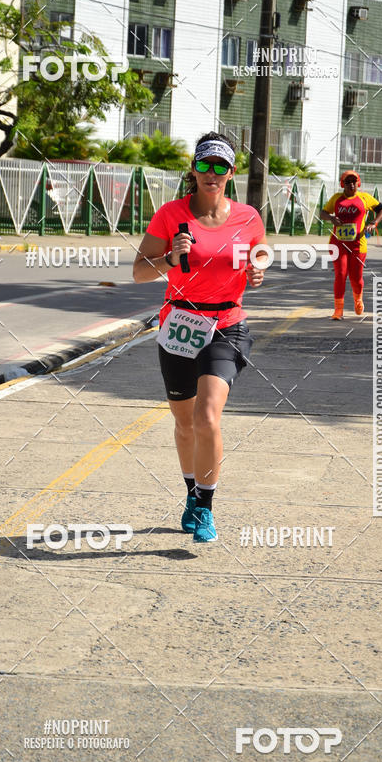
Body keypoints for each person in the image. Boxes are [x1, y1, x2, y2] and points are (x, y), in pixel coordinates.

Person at [132, 132, 268, 543]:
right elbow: (139, 271)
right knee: (184, 422)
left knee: (208, 416)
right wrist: (171, 257)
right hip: (178, 325)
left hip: (227, 326)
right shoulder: (170, 215)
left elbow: (260, 249)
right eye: (205, 165)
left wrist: (259, 267)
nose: (212, 174)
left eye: (220, 167)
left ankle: (205, 507)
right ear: (194, 169)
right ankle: (192, 492)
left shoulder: (247, 216)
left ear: (231, 172)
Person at [320, 171, 382, 320]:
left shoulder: (364, 198)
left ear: (358, 183)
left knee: (356, 278)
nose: (351, 184)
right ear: (342, 183)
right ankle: (338, 310)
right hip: (338, 243)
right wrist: (331, 218)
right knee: (341, 274)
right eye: (348, 181)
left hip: (358, 243)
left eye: (354, 181)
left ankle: (358, 300)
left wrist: (373, 223)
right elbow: (322, 213)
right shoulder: (336, 199)